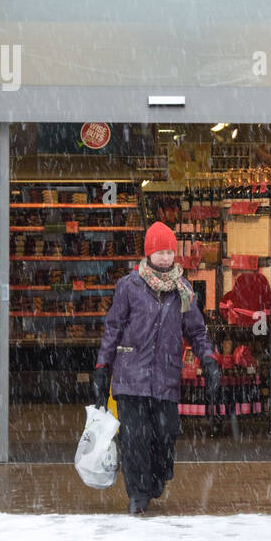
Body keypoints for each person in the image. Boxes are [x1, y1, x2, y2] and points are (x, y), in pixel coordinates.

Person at [94, 221, 220, 515]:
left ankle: (157, 476)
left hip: (165, 377)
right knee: (135, 438)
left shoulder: (183, 291)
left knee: (164, 436)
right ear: (148, 253)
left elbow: (197, 332)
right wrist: (103, 366)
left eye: (169, 252)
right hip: (131, 376)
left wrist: (209, 360)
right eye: (159, 252)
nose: (165, 258)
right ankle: (137, 493)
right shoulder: (129, 286)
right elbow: (113, 328)